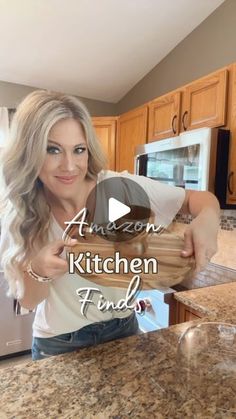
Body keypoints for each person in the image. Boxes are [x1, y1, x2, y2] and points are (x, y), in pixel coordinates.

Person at [0, 91, 220, 361]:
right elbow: (28, 302)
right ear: (29, 152)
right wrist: (38, 270)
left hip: (124, 329)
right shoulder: (21, 213)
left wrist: (208, 220)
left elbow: (198, 200)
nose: (69, 166)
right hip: (58, 343)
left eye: (78, 149)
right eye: (52, 149)